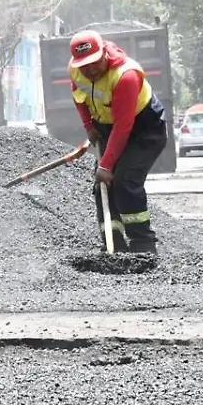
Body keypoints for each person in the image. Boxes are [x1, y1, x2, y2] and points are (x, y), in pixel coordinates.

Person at [68, 30, 169, 255]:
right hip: (109, 128)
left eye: (94, 63)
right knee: (102, 185)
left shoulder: (126, 75)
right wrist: (89, 126)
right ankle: (113, 244)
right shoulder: (76, 70)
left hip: (144, 130)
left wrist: (106, 166)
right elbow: (78, 95)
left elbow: (124, 125)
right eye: (84, 65)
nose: (90, 70)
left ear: (104, 53)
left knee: (124, 181)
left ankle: (143, 245)